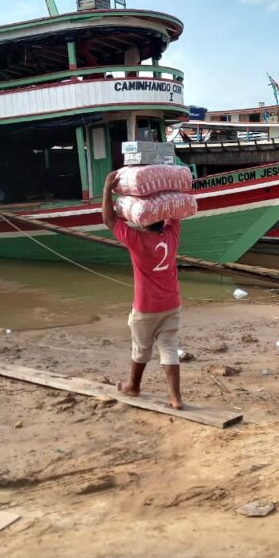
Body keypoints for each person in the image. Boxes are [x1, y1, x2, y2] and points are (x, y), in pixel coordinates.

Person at [101, 169, 183, 409]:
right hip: (172, 303)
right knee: (169, 346)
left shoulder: (136, 240)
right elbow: (174, 213)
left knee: (141, 348)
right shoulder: (172, 234)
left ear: (142, 220)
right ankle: (176, 398)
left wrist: (107, 189)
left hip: (145, 307)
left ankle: (133, 386)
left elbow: (109, 220)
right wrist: (165, 192)